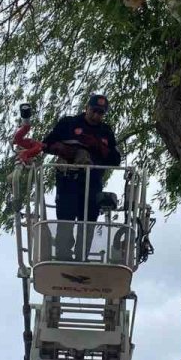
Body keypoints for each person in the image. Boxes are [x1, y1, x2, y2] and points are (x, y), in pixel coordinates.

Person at [42, 93, 121, 260]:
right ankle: (63, 256)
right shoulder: (69, 123)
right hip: (68, 180)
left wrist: (99, 147)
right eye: (94, 111)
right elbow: (47, 144)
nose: (96, 115)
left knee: (88, 221)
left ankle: (81, 257)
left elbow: (115, 160)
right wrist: (66, 150)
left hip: (92, 183)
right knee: (66, 218)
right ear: (87, 108)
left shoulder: (106, 132)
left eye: (101, 113)